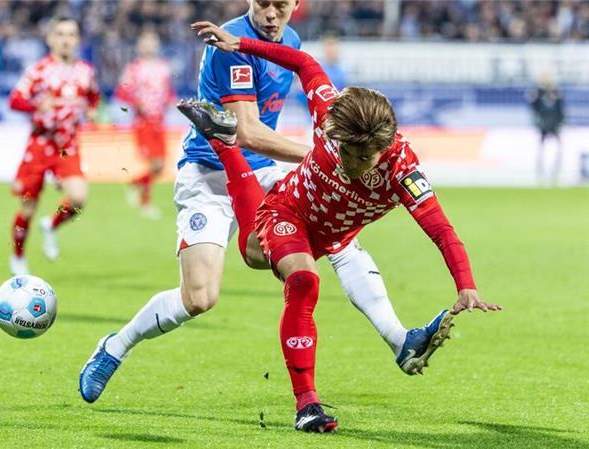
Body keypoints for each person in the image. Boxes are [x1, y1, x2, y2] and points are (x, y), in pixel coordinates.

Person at [80, 0, 450, 415]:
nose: (271, 14)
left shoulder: (288, 40)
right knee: (199, 297)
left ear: (296, 5)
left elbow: (304, 69)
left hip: (266, 173)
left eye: (281, 5)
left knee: (337, 236)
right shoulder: (229, 45)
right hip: (209, 173)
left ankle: (400, 340)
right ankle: (115, 346)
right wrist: (325, 155)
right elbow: (249, 133)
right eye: (262, 3)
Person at [176, 21, 503, 432]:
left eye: (361, 157)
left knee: (336, 256)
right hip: (286, 213)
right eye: (345, 151)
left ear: (383, 149)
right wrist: (238, 43)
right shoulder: (331, 113)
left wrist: (466, 284)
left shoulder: (403, 171)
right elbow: (302, 60)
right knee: (299, 279)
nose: (349, 162)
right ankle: (307, 404)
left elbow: (441, 229)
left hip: (332, 234)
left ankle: (401, 341)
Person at [7, 17, 99, 275]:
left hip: (67, 144)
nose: (66, 39)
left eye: (71, 34)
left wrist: (92, 111)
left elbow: (94, 95)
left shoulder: (85, 71)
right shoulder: (39, 71)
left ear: (77, 39)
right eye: (60, 34)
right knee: (27, 207)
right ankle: (18, 256)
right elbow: (14, 100)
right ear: (50, 39)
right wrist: (36, 106)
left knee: (79, 198)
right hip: (40, 142)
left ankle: (52, 224)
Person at [115, 29, 175, 219]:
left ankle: (135, 183)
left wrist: (172, 100)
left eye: (153, 41)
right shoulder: (134, 68)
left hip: (160, 121)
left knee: (160, 166)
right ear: (140, 46)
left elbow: (168, 92)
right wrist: (136, 103)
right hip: (143, 122)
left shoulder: (164, 67)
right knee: (154, 163)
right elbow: (121, 92)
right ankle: (146, 203)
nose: (150, 45)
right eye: (146, 41)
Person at [529, 73, 565, 186]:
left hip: (553, 125)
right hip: (545, 125)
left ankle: (555, 172)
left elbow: (561, 110)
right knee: (542, 150)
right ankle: (541, 172)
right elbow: (534, 107)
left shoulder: (556, 95)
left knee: (557, 150)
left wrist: (560, 122)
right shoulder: (539, 94)